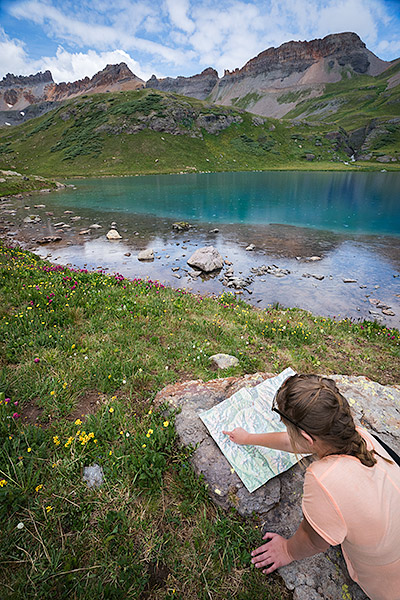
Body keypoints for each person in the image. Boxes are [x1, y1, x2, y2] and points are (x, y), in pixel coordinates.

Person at [222, 374, 400, 600]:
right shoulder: (360, 436)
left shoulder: (323, 480)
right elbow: (300, 442)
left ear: (307, 438)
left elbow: (313, 540)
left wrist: (287, 550)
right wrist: (249, 438)